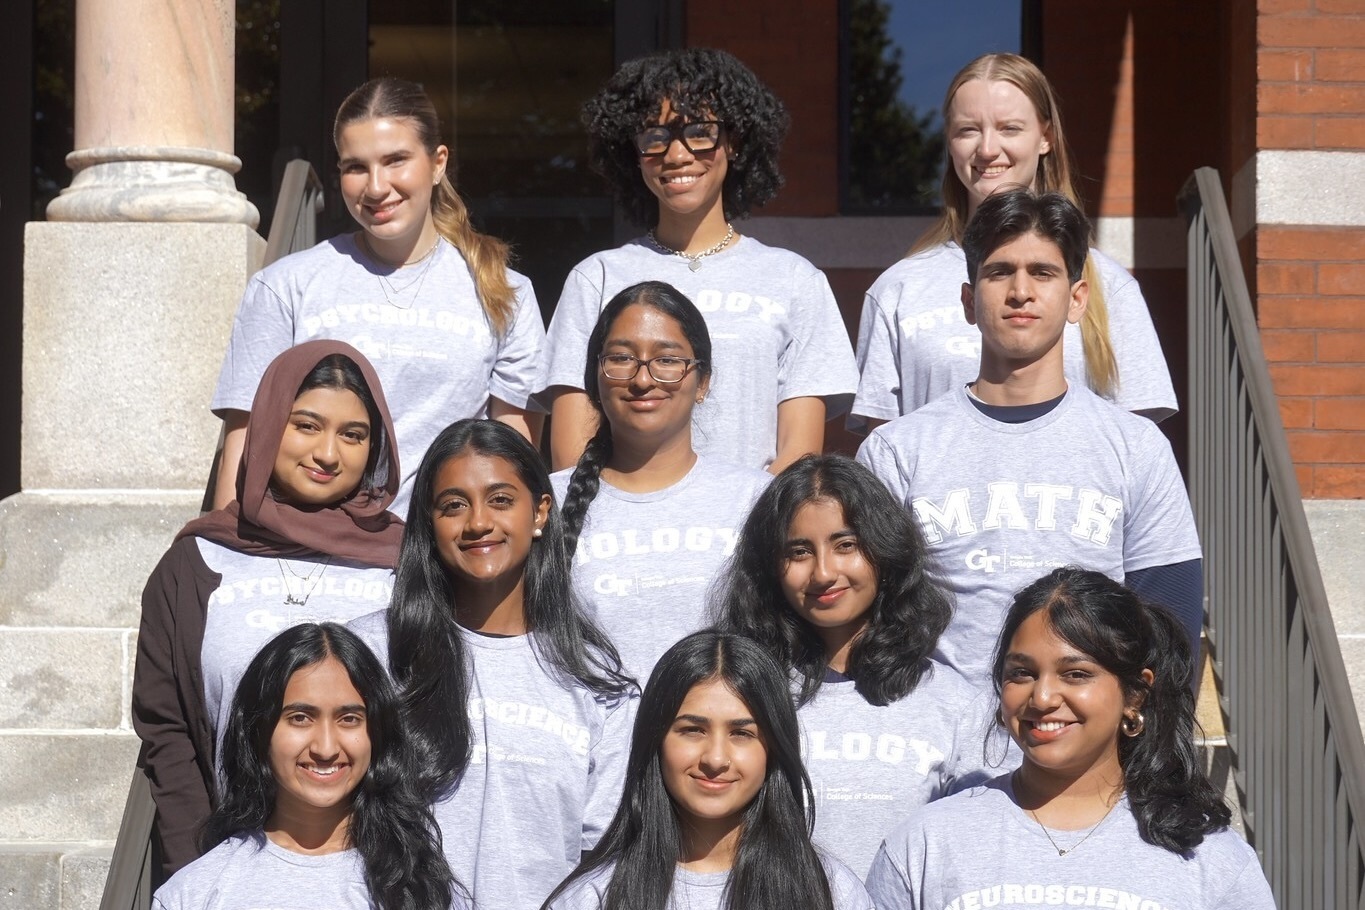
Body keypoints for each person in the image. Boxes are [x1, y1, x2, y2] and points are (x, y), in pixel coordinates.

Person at [856, 189, 1203, 685]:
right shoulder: (896, 452)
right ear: (969, 301)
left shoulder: (1136, 448)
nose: (1021, 291)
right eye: (1000, 272)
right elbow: (866, 621)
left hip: (1088, 747)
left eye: (1042, 273)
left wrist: (1146, 748)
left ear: (1077, 299)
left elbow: (1171, 624)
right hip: (946, 754)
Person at [211, 76, 546, 515]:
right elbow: (245, 448)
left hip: (444, 559)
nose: (375, 186)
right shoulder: (285, 286)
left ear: (438, 162)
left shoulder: (507, 293)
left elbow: (512, 461)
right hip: (313, 555)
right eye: (355, 167)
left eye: (395, 160)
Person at [134, 340, 403, 879]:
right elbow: (168, 733)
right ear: (269, 424)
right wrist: (201, 872)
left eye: (353, 435)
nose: (328, 454)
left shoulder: (406, 564)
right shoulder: (196, 563)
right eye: (306, 425)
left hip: (376, 873)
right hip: (235, 867)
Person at [349, 418, 637, 910]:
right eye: (453, 505)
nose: (478, 522)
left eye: (501, 500)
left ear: (541, 512)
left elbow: (604, 864)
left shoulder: (599, 683)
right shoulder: (369, 654)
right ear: (428, 522)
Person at [866, 568, 1276, 910]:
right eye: (1021, 673)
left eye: (1076, 674)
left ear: (1135, 694)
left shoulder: (1209, 855)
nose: (1042, 698)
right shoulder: (927, 843)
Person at [543, 47, 858, 475]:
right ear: (631, 152)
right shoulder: (596, 278)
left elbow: (798, 457)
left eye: (699, 131)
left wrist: (738, 527)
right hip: (623, 533)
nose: (676, 155)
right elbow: (571, 457)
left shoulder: (794, 280)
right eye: (654, 135)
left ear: (736, 140)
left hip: (751, 535)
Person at [851, 52, 1175, 430]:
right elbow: (878, 464)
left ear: (1046, 138)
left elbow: (1137, 451)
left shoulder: (1110, 287)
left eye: (1009, 128)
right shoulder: (898, 290)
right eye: (968, 130)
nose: (987, 149)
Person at [715, 454, 996, 877]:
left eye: (846, 545)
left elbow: (983, 854)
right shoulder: (739, 695)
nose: (824, 572)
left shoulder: (957, 706)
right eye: (799, 551)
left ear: (885, 550)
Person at [541, 631, 875, 910]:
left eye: (742, 733)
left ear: (774, 749)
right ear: (655, 738)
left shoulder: (831, 893)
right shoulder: (592, 898)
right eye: (693, 730)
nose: (715, 759)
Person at [151, 622, 458, 910]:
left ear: (377, 733)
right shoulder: (193, 894)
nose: (325, 748)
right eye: (300, 718)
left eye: (349, 719)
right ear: (258, 732)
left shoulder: (422, 886)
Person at [555, 280, 771, 682]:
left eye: (667, 360)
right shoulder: (545, 500)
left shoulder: (757, 499)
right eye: (621, 358)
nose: (642, 379)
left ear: (702, 381)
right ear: (595, 379)